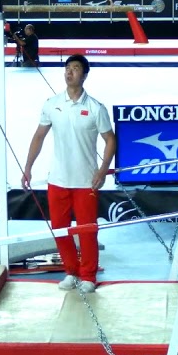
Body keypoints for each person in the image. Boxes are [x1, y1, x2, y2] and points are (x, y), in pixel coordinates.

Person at [22, 54, 116, 294]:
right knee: (60, 229)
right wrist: (28, 167)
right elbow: (38, 136)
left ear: (84, 75)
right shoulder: (52, 104)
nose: (69, 72)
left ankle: (88, 276)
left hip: (86, 181)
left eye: (75, 68)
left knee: (87, 231)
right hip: (58, 180)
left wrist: (103, 170)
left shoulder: (96, 108)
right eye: (67, 68)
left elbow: (110, 140)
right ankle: (71, 272)